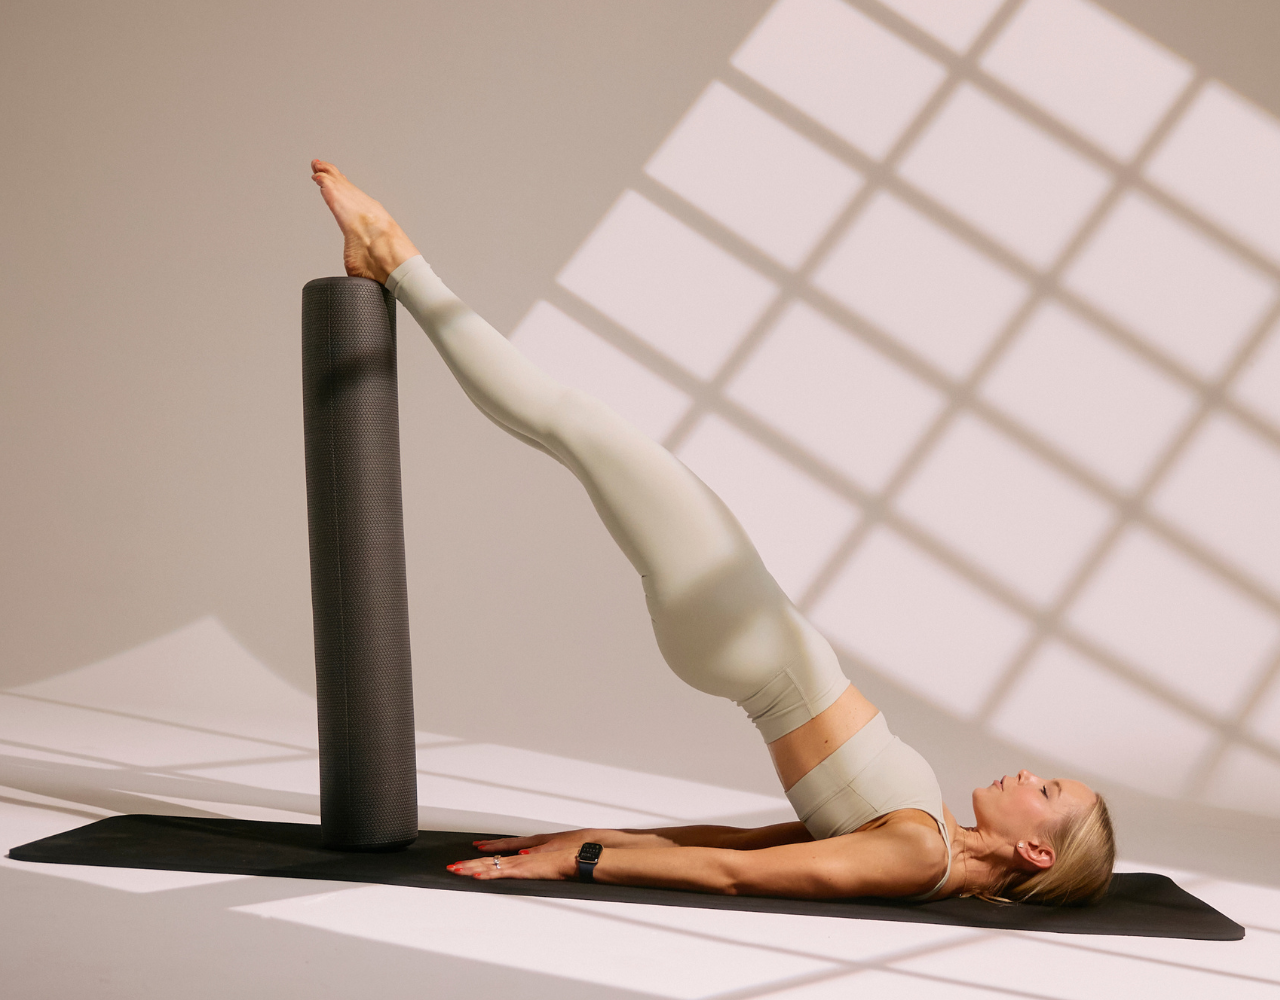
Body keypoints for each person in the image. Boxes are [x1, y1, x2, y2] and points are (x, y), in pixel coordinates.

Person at [311, 159, 1116, 905]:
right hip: (743, 626)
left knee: (574, 423)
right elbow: (748, 841)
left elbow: (735, 874)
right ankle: (394, 264)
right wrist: (597, 838)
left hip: (744, 630)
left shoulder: (919, 856)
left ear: (1038, 855)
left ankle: (394, 256)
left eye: (1046, 794)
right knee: (573, 433)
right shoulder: (928, 837)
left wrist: (582, 864)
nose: (1027, 775)